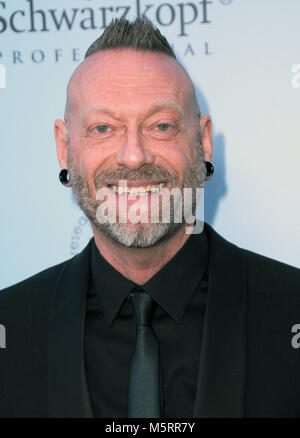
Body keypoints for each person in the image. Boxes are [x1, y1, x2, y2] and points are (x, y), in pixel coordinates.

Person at [0, 17, 299, 419]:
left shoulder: (291, 309)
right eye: (103, 128)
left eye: (161, 125)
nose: (134, 155)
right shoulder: (11, 326)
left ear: (203, 141)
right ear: (64, 146)